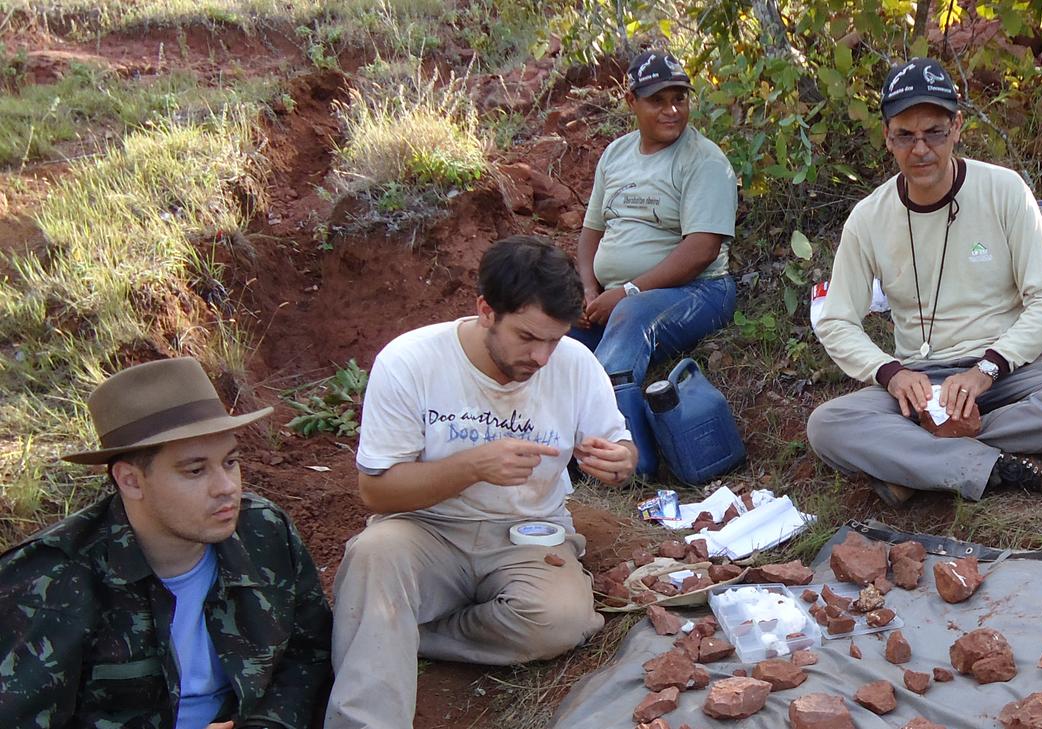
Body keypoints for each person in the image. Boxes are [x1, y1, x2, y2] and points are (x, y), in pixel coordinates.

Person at [324, 236, 636, 729]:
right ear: (485, 310)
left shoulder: (574, 364)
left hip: (529, 535)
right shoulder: (410, 362)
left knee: (562, 621)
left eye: (554, 339)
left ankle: (405, 631)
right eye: (528, 337)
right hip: (426, 530)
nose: (541, 357)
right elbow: (375, 491)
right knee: (374, 555)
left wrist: (619, 462)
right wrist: (473, 466)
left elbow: (624, 452)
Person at [807, 58, 1042, 508]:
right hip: (919, 386)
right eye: (905, 135)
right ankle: (1008, 467)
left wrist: (986, 370)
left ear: (957, 127)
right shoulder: (868, 218)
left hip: (1009, 376)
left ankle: (915, 462)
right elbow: (837, 320)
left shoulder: (1004, 190)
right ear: (887, 138)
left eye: (934, 131)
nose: (921, 149)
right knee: (828, 426)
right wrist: (892, 375)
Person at [0, 357, 332, 728]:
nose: (227, 487)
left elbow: (309, 654)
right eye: (195, 470)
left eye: (230, 462)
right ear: (130, 481)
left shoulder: (263, 531)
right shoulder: (51, 579)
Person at [570, 49, 739, 476]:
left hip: (699, 291)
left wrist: (625, 292)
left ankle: (634, 463)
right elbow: (591, 232)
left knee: (628, 316)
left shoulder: (704, 161)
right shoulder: (616, 154)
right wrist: (589, 290)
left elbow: (702, 250)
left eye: (679, 98)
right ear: (632, 102)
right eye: (657, 100)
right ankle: (565, 456)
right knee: (553, 334)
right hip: (617, 296)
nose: (672, 110)